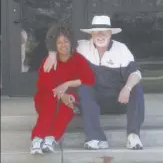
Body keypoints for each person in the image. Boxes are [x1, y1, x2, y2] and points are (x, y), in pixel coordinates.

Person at [44, 15, 145, 150]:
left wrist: (127, 88)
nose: (100, 35)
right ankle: (95, 138)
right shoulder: (81, 47)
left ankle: (133, 136)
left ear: (110, 33)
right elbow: (57, 34)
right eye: (97, 32)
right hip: (90, 102)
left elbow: (136, 73)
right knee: (85, 88)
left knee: (136, 88)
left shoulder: (121, 49)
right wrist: (51, 53)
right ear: (91, 33)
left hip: (118, 101)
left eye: (104, 32)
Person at [30, 22, 95, 155]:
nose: (63, 45)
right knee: (50, 103)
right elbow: (44, 85)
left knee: (69, 102)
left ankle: (51, 139)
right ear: (54, 45)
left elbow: (89, 79)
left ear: (71, 42)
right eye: (59, 42)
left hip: (69, 96)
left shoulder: (78, 59)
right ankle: (36, 140)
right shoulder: (49, 61)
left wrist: (67, 85)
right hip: (47, 96)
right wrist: (61, 94)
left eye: (66, 41)